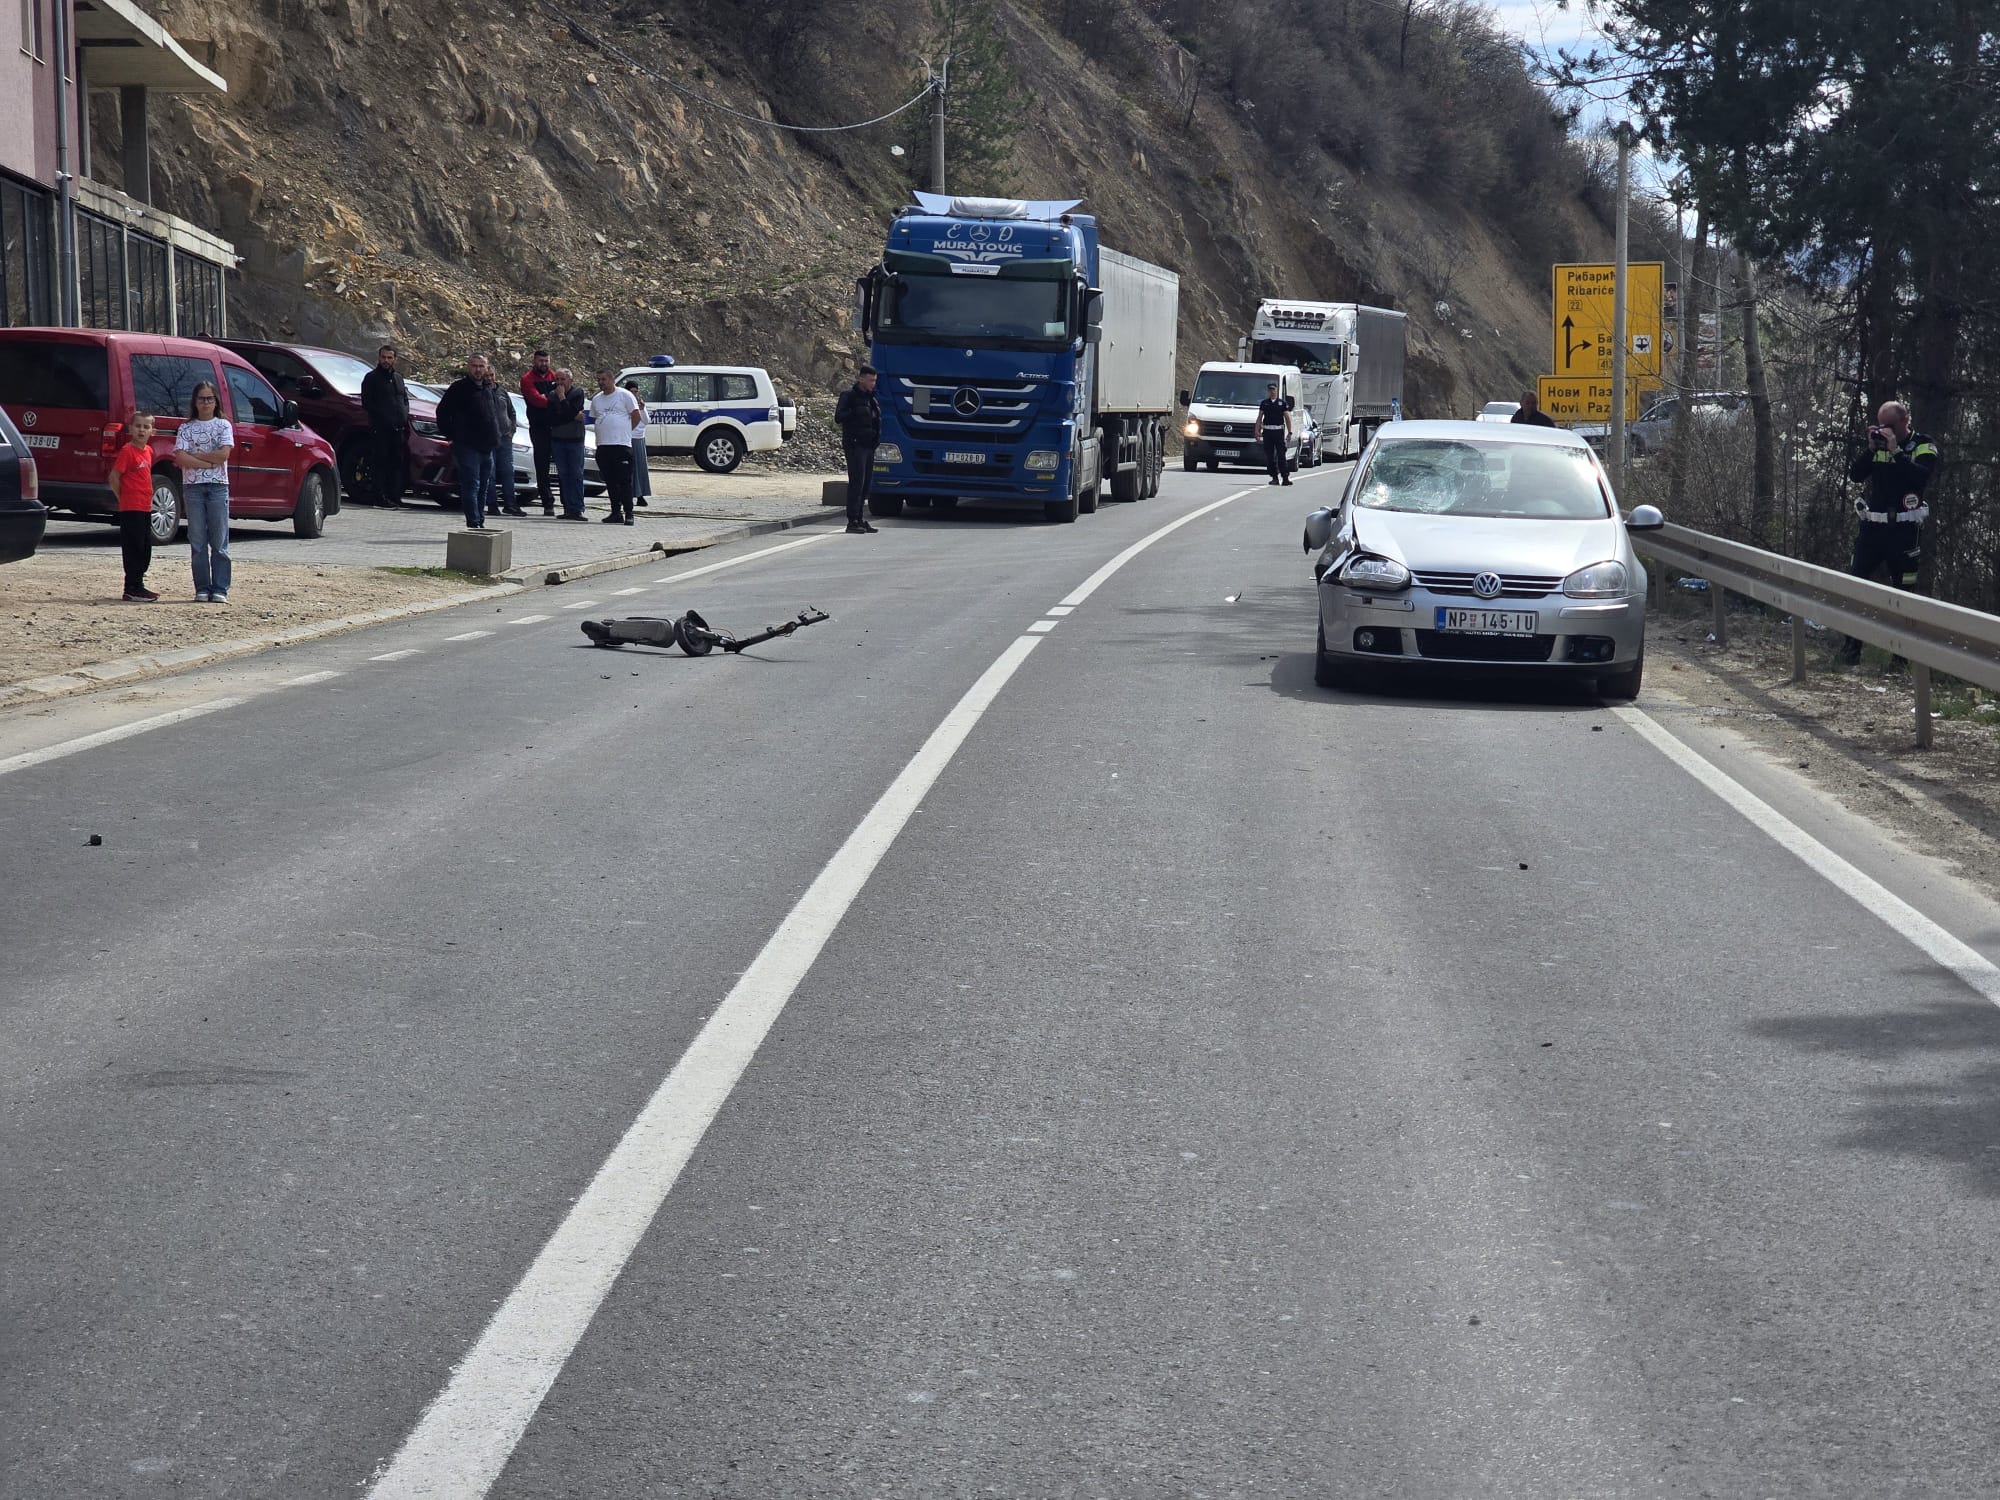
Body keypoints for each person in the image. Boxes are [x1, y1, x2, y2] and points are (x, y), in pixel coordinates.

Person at [1838, 399, 1940, 666]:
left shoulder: (1923, 445)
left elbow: (1921, 478)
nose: (1885, 430)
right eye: (1881, 425)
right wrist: (1871, 448)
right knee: (1856, 584)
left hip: (1904, 530)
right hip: (1873, 528)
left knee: (1903, 593)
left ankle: (1900, 658)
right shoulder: (1879, 446)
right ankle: (1851, 649)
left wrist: (1896, 451)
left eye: (1889, 425)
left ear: (1905, 421)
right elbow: (1856, 475)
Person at [173, 381, 234, 603]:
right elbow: (180, 457)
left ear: (216, 401)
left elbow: (223, 455)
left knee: (219, 541)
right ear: (195, 402)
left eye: (209, 398)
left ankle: (220, 588)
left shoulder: (223, 426)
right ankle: (202, 587)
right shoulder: (186, 428)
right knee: (197, 540)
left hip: (218, 486)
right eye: (201, 399)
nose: (206, 403)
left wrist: (197, 457)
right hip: (193, 487)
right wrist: (208, 462)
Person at [436, 353, 503, 529]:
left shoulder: (488, 388)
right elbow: (442, 413)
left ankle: (480, 521)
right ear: (468, 366)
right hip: (467, 446)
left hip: (487, 447)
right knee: (471, 485)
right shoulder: (459, 388)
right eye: (474, 366)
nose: (478, 370)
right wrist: (451, 437)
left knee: (484, 487)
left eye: (481, 366)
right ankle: (473, 523)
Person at [108, 412, 159, 602]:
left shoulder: (148, 451)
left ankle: (139, 584)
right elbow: (114, 477)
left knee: (145, 547)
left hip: (145, 507)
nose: (141, 430)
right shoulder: (127, 451)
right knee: (133, 547)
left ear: (152, 431)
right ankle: (131, 587)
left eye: (146, 427)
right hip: (131, 507)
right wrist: (124, 496)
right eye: (138, 426)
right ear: (131, 428)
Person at [589, 369, 643, 525]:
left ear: (612, 380)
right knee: (610, 481)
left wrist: (624, 432)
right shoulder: (597, 399)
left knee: (624, 481)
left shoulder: (624, 395)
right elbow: (594, 418)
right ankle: (615, 512)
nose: (600, 382)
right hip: (603, 446)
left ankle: (629, 513)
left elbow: (636, 416)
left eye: (603, 379)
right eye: (598, 379)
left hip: (621, 446)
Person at [359, 343, 411, 507]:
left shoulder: (398, 378)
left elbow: (404, 399)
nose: (386, 361)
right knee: (379, 463)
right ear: (379, 358)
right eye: (383, 357)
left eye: (389, 358)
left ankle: (394, 496)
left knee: (396, 463)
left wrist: (403, 414)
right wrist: (384, 417)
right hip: (380, 429)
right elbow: (367, 402)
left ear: (395, 359)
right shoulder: (371, 378)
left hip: (398, 429)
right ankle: (379, 497)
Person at [833, 365, 881, 534]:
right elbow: (839, 417)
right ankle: (852, 520)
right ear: (861, 379)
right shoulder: (849, 396)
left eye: (874, 381)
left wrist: (875, 439)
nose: (873, 384)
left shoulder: (871, 398)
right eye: (870, 380)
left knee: (866, 483)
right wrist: (855, 412)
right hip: (855, 445)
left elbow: (876, 421)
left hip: (868, 446)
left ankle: (860, 518)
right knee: (857, 482)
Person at [547, 368, 589, 520]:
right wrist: (570, 414)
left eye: (562, 379)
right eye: (557, 379)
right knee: (563, 475)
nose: (559, 383)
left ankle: (577, 508)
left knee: (576, 475)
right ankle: (567, 508)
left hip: (575, 440)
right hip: (558, 440)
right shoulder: (551, 395)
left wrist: (563, 399)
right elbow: (554, 417)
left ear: (570, 380)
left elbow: (571, 411)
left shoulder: (578, 393)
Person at [520, 350, 558, 515]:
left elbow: (561, 397)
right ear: (534, 361)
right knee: (542, 466)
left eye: (546, 361)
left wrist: (549, 398)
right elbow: (536, 400)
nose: (544, 364)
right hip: (538, 428)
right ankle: (547, 502)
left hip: (556, 428)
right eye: (541, 361)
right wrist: (552, 399)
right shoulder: (527, 379)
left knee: (561, 465)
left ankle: (569, 504)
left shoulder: (555, 377)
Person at [485, 362, 525, 517]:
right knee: (491, 474)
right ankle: (492, 505)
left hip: (505, 439)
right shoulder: (481, 391)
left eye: (491, 375)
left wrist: (511, 429)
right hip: (488, 440)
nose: (489, 378)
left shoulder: (502, 392)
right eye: (486, 376)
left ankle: (511, 504)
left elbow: (512, 412)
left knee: (508, 472)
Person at [1258, 380, 1293, 486]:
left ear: (1277, 390)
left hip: (1278, 432)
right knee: (1269, 456)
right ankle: (1274, 477)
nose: (1272, 391)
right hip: (1268, 432)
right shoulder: (1264, 403)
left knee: (1281, 455)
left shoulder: (1282, 403)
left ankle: (1285, 477)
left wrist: (1290, 432)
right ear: (1268, 391)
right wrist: (1257, 431)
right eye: (1270, 390)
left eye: (1274, 389)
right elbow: (1259, 418)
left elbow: (1287, 418)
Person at [624, 379, 650, 508]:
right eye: (631, 391)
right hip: (629, 438)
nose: (634, 394)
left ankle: (640, 495)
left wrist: (642, 409)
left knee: (640, 468)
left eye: (636, 392)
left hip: (639, 438)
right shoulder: (625, 403)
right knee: (630, 469)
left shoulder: (640, 404)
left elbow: (646, 421)